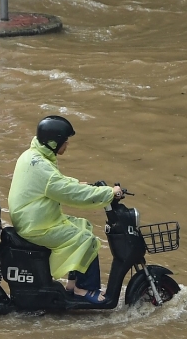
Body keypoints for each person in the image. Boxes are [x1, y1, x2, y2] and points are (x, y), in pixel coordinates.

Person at [7, 115, 124, 304]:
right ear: (53, 143)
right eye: (65, 141)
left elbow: (57, 181)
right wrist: (109, 193)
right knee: (86, 240)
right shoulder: (42, 167)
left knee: (84, 226)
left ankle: (72, 283)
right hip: (37, 225)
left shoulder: (33, 155)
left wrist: (77, 183)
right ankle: (84, 288)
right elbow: (71, 194)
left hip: (34, 217)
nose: (67, 144)